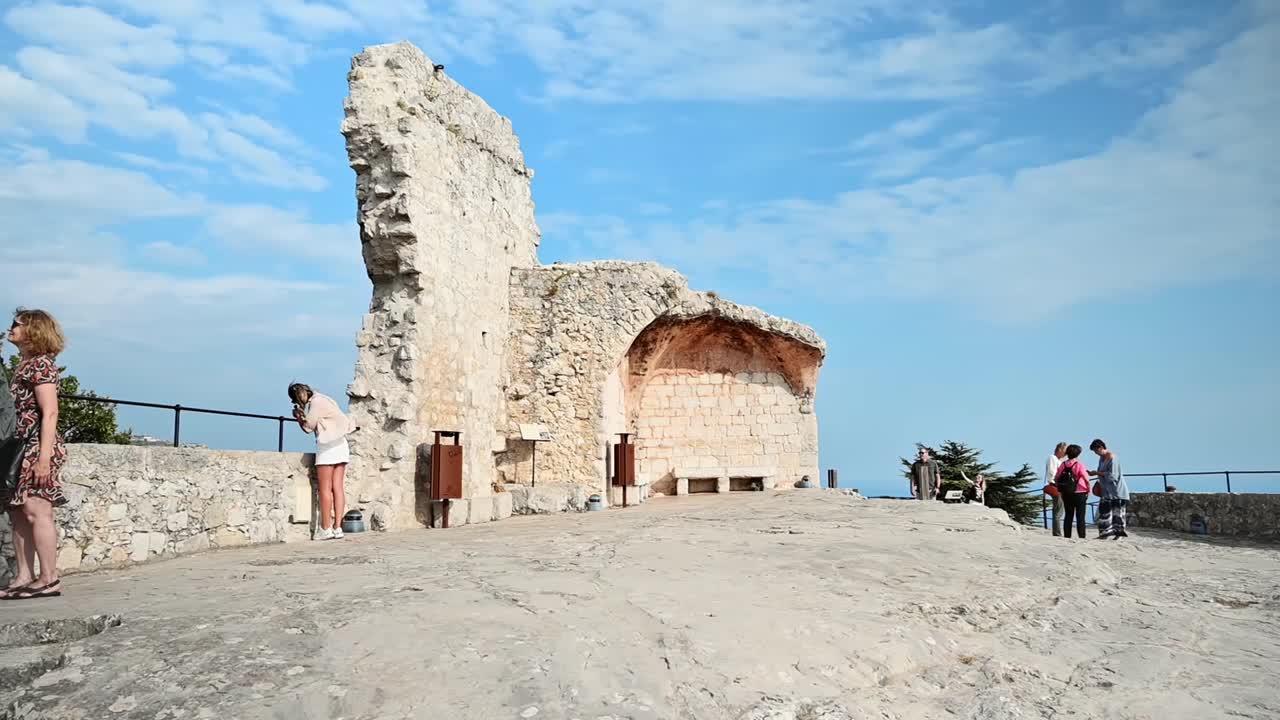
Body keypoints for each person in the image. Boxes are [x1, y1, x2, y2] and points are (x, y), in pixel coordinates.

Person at [1, 309, 68, 600]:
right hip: (20, 446)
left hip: (36, 446)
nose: (10, 327)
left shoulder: (41, 365)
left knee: (37, 510)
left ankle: (49, 578)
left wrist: (43, 458)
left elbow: (50, 412)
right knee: (18, 512)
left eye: (17, 324)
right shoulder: (25, 364)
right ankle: (24, 576)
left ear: (33, 331)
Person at [289, 382, 357, 540]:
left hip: (327, 447)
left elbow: (308, 427)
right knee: (338, 488)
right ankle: (338, 528)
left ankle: (325, 528)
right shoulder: (325, 399)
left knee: (325, 489)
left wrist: (299, 417)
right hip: (341, 444)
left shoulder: (316, 403)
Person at [1088, 438, 1129, 539]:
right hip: (1106, 491)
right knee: (1104, 513)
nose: (1096, 453)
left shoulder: (1112, 457)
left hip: (1116, 491)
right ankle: (1104, 533)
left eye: (1096, 450)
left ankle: (1119, 535)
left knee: (1118, 514)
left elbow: (1113, 476)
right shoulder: (1102, 458)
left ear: (1101, 447)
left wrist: (1096, 473)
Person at [1055, 444, 1090, 539]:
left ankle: (1067, 536)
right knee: (1080, 516)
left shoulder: (1063, 464)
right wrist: (1088, 489)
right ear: (1078, 454)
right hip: (1080, 492)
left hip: (1066, 493)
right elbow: (1086, 478)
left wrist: (1060, 489)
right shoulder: (1079, 465)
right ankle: (1081, 536)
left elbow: (1057, 477)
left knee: (1068, 515)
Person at [1044, 442, 1068, 536]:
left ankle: (1057, 531)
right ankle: (1057, 532)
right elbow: (1052, 472)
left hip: (1057, 485)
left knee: (1058, 510)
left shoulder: (1058, 460)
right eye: (1065, 451)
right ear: (1060, 449)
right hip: (1055, 485)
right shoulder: (1052, 458)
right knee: (1058, 510)